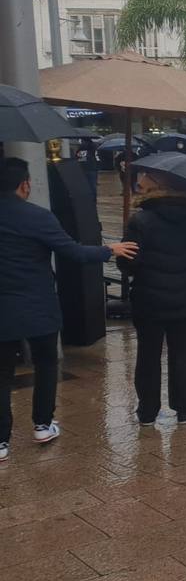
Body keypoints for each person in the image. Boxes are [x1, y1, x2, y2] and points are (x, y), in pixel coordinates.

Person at [0, 159, 137, 460]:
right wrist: (108, 250)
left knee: (2, 373)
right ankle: (42, 425)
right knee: (47, 364)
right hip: (37, 305)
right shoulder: (37, 216)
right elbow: (72, 252)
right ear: (24, 185)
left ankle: (0, 442)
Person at [117, 172, 186, 424]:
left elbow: (127, 263)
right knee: (182, 355)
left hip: (149, 301)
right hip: (184, 299)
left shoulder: (140, 220)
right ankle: (184, 409)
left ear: (157, 185)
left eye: (145, 177)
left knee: (148, 355)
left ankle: (147, 412)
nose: (139, 181)